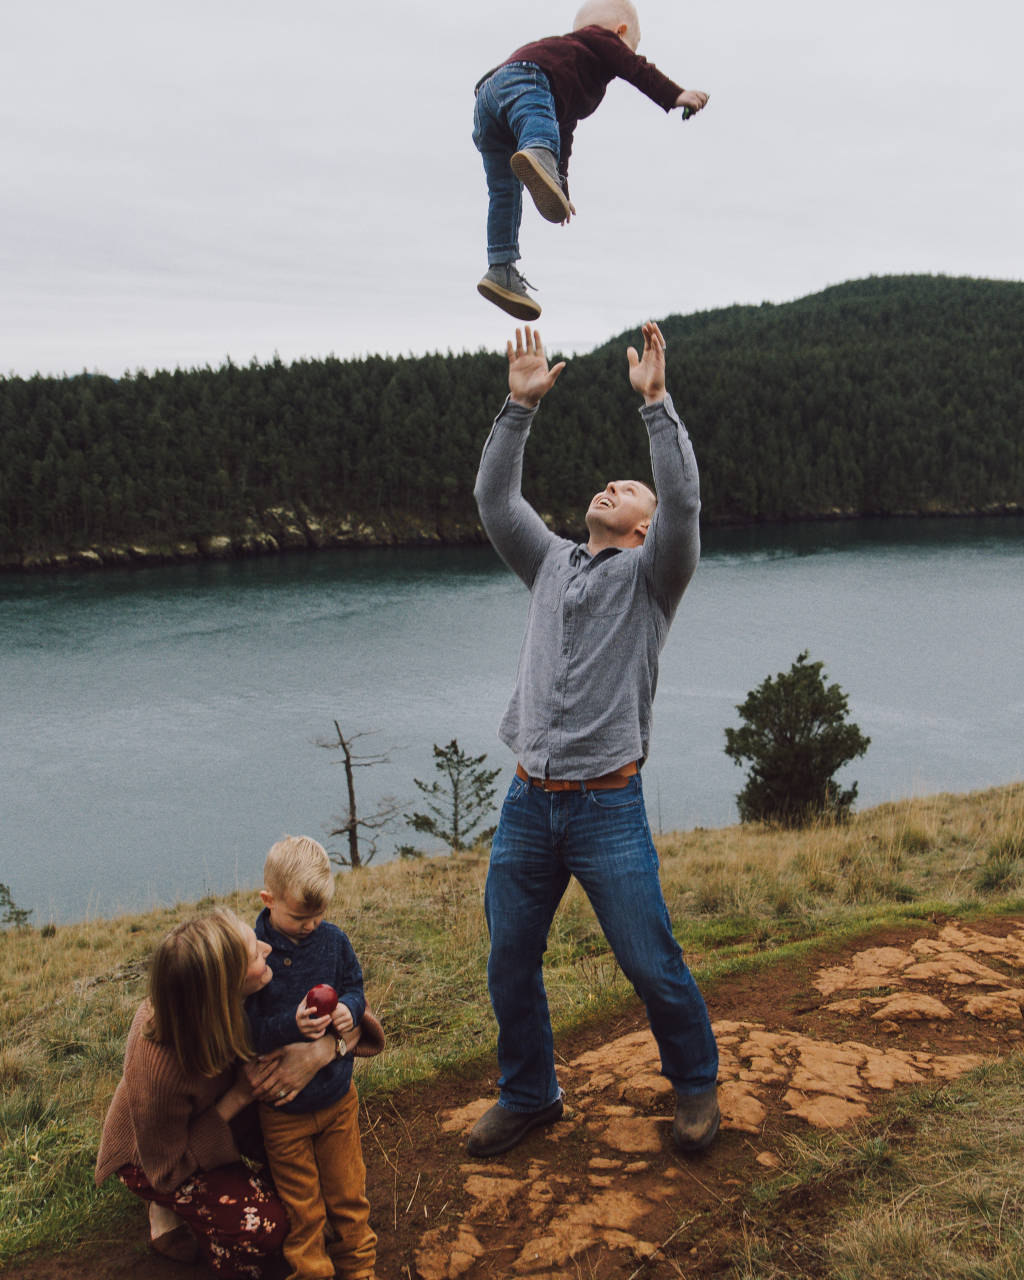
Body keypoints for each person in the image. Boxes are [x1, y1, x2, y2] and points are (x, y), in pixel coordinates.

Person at [468, 320, 720, 1158]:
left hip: (607, 807)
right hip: (528, 803)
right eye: (612, 483)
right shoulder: (548, 562)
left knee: (650, 963)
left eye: (630, 489)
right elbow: (495, 501)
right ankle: (530, 1095)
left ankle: (694, 1088)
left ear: (646, 529)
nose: (616, 485)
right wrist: (517, 407)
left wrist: (656, 407)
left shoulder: (655, 578)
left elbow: (682, 500)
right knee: (510, 961)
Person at [95, 907, 337, 1277]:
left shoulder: (247, 991)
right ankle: (176, 1215)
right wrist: (240, 1095)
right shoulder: (159, 1063)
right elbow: (167, 1165)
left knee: (317, 1161)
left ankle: (197, 1203)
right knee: (265, 1229)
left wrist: (327, 1048)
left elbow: (353, 1005)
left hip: (226, 1114)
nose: (266, 948)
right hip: (154, 1155)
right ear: (224, 988)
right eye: (253, 954)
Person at [473, 0, 709, 320]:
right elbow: (637, 69)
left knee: (504, 192)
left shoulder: (571, 71)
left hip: (487, 103)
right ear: (620, 31)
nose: (625, 54)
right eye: (630, 45)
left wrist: (561, 188)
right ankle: (537, 153)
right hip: (526, 80)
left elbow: (564, 134)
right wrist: (674, 95)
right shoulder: (601, 38)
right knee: (540, 127)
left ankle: (500, 268)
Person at [246, 836, 380, 1280]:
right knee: (303, 1212)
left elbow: (355, 987)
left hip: (339, 1099)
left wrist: (349, 1008)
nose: (311, 925)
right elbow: (246, 1032)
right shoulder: (253, 954)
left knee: (349, 1198)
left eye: (318, 915)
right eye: (301, 917)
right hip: (283, 1116)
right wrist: (291, 1027)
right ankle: (312, 1273)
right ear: (269, 900)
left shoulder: (333, 941)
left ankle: (360, 1270)